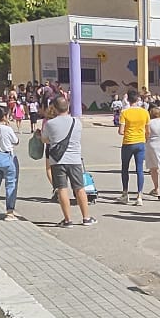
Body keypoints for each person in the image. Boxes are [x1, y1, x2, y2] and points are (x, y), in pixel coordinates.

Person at [38, 97, 94, 227]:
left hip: (57, 160)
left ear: (55, 108)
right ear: (68, 107)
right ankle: (86, 217)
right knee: (79, 188)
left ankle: (68, 220)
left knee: (62, 189)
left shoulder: (50, 124)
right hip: (74, 159)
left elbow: (45, 140)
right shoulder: (77, 122)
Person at [116, 98, 150, 204]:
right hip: (140, 142)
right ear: (138, 100)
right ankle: (139, 196)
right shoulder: (145, 112)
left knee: (125, 168)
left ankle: (125, 193)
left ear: (128, 100)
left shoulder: (125, 112)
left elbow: (121, 131)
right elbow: (148, 130)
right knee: (139, 169)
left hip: (128, 142)